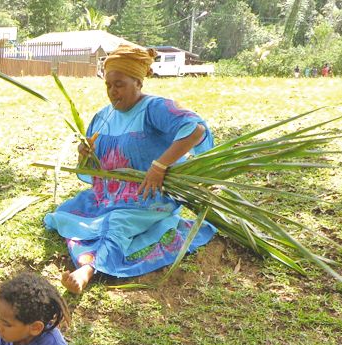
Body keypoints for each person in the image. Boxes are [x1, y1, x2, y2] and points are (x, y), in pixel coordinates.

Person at [43, 44, 216, 294]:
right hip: (110, 195)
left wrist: (159, 165)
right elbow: (96, 169)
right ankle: (91, 254)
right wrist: (86, 156)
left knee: (117, 223)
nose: (113, 92)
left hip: (148, 196)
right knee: (65, 214)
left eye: (120, 84)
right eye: (108, 85)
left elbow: (195, 129)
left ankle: (88, 271)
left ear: (138, 82)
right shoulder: (104, 116)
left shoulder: (154, 108)